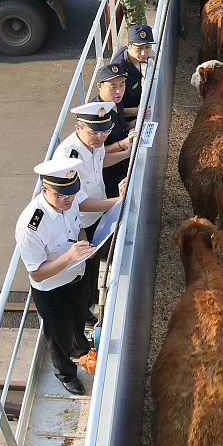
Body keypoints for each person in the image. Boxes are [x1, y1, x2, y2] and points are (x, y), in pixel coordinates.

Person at [16, 158, 95, 395]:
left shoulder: (69, 202)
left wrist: (83, 244)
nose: (69, 200)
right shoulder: (31, 226)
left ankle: (80, 346)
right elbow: (37, 273)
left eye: (72, 193)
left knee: (79, 317)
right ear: (45, 191)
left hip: (77, 277)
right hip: (53, 291)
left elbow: (79, 227)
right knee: (59, 335)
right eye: (61, 195)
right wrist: (70, 257)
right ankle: (66, 374)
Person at [53, 103, 130, 327]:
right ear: (78, 128)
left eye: (105, 131)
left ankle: (89, 304)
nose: (100, 137)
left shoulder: (94, 143)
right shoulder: (67, 158)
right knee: (80, 273)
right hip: (78, 224)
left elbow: (100, 162)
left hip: (97, 215)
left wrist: (127, 153)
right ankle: (81, 316)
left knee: (93, 266)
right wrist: (117, 201)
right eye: (94, 132)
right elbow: (79, 203)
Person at [92, 63, 135, 198]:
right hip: (106, 177)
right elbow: (93, 154)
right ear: (100, 86)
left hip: (121, 168)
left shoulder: (115, 101)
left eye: (122, 85)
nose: (118, 91)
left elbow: (119, 125)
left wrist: (131, 125)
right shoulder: (94, 114)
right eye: (113, 86)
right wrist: (122, 144)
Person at [110, 23, 155, 121]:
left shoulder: (131, 55)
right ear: (129, 45)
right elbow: (112, 108)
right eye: (139, 48)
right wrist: (138, 111)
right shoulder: (119, 71)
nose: (143, 53)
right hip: (127, 122)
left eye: (147, 47)